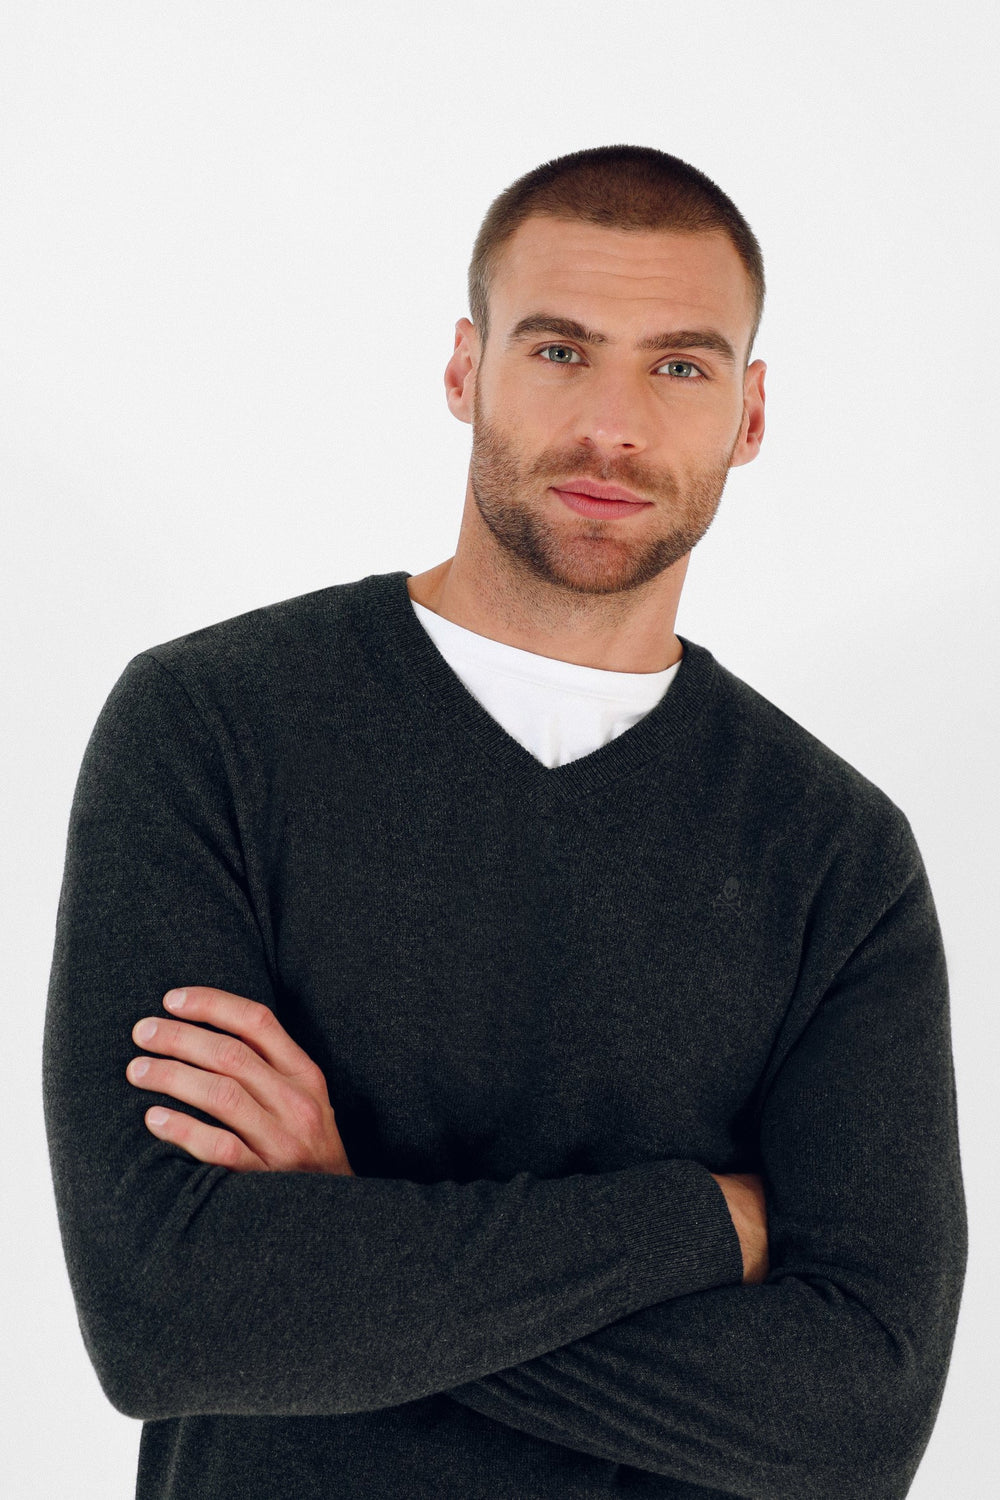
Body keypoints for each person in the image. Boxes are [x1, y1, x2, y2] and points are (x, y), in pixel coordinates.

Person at [42, 144, 967, 1499]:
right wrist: (702, 1224)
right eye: (560, 351)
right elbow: (166, 1314)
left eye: (680, 366)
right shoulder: (213, 726)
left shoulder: (836, 854)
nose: (614, 426)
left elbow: (858, 1424)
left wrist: (343, 1228)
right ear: (466, 368)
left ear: (751, 413)